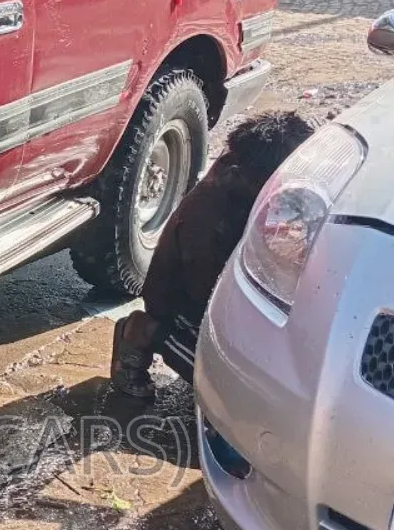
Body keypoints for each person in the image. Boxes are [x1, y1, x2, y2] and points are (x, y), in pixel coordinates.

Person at [109, 111, 314, 398]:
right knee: (237, 393)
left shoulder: (247, 180)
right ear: (256, 177)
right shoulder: (208, 223)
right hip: (186, 310)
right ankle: (143, 332)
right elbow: (211, 304)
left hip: (224, 285)